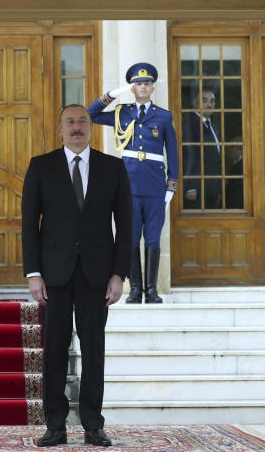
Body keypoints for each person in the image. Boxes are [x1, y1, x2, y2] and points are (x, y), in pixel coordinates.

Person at [22, 104, 133, 447]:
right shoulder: (41, 167)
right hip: (53, 276)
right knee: (54, 349)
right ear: (59, 129)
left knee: (94, 351)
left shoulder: (112, 168)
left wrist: (118, 275)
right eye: (69, 122)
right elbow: (29, 224)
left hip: (96, 276)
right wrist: (33, 273)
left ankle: (92, 425)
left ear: (91, 127)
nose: (76, 127)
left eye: (82, 121)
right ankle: (54, 425)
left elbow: (126, 225)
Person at [87, 63, 178, 304]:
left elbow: (174, 152)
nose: (142, 87)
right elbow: (90, 115)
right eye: (138, 84)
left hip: (155, 184)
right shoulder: (122, 112)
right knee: (130, 236)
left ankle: (152, 290)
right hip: (128, 183)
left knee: (152, 238)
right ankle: (135, 289)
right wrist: (112, 95)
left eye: (146, 83)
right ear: (133, 87)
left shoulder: (163, 116)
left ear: (152, 87)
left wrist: (172, 185)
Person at [181, 84, 222, 210]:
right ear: (195, 103)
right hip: (196, 189)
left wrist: (218, 188)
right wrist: (190, 186)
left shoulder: (213, 126)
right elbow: (187, 156)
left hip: (212, 189)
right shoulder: (189, 124)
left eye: (212, 101)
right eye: (204, 100)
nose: (209, 104)